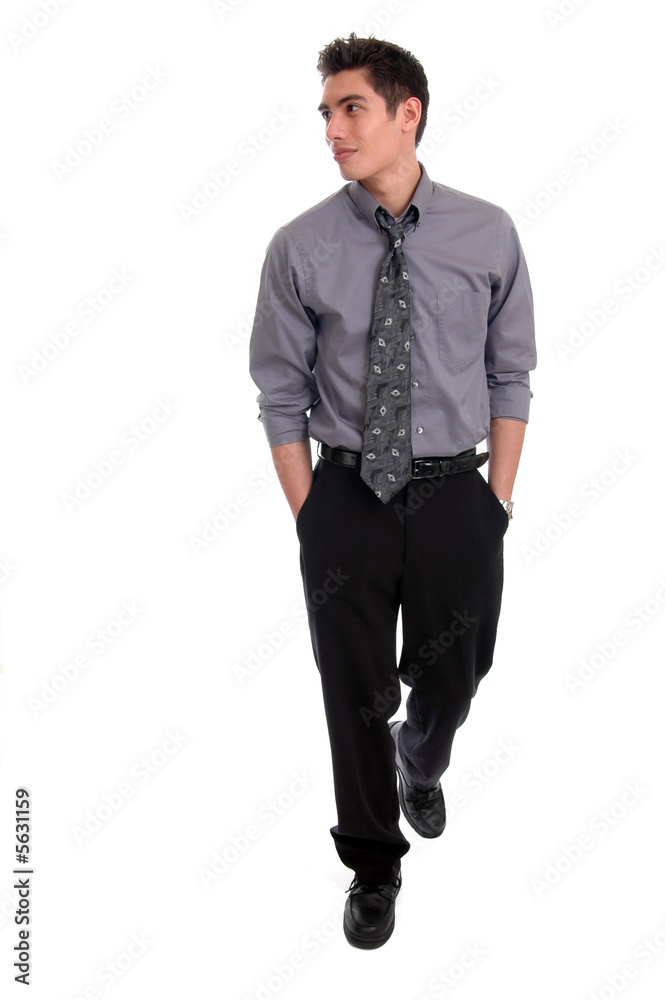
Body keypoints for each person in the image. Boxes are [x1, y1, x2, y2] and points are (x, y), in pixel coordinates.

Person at [248, 33, 536, 949]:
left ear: (407, 112)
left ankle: (423, 754)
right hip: (345, 499)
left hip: (458, 494)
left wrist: (497, 501)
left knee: (458, 670)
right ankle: (373, 863)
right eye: (326, 113)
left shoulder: (486, 232)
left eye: (350, 109)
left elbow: (510, 373)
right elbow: (280, 395)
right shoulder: (300, 244)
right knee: (353, 689)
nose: (332, 130)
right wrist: (312, 518)